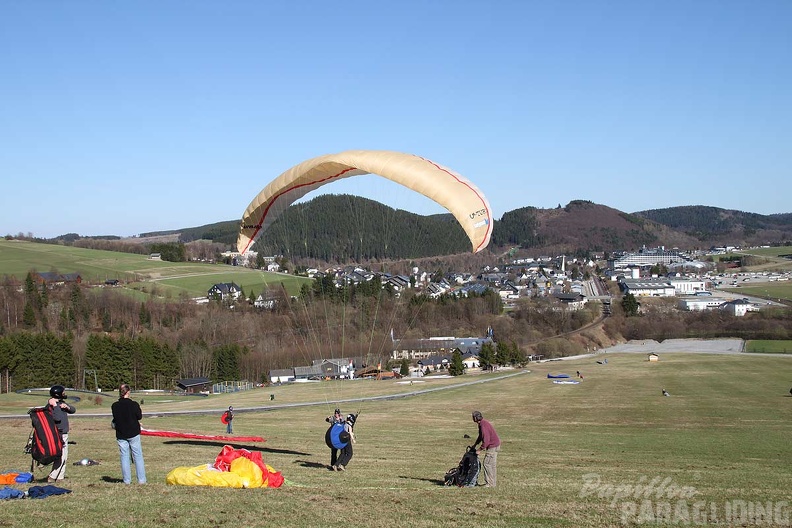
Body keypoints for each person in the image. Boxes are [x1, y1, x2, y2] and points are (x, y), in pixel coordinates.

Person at [111, 383, 147, 484]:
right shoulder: (134, 404)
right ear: (128, 392)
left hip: (121, 433)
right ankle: (142, 480)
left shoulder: (114, 406)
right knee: (138, 456)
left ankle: (127, 480)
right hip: (133, 432)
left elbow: (116, 419)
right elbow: (139, 416)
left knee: (124, 456)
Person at [47, 384, 76, 482]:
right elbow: (57, 418)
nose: (64, 394)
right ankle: (52, 476)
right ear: (58, 394)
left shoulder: (61, 403)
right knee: (61, 456)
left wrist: (67, 407)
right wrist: (56, 406)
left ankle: (60, 477)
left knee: (64, 456)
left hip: (64, 433)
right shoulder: (52, 406)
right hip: (58, 433)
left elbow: (73, 410)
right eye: (63, 392)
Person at [472, 410, 501, 487]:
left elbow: (486, 441)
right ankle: (493, 483)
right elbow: (481, 436)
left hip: (492, 446)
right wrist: (475, 444)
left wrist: (479, 450)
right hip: (496, 445)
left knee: (487, 464)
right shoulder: (482, 423)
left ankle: (489, 483)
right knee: (492, 465)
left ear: (475, 418)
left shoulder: (483, 425)